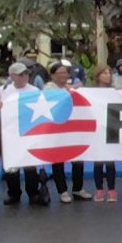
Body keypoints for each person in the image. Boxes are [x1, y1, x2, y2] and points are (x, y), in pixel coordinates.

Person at [44, 61, 93, 204]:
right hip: (56, 129)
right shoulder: (48, 88)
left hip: (73, 128)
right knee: (58, 160)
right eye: (60, 73)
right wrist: (72, 89)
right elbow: (58, 99)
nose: (63, 76)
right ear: (52, 75)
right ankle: (62, 190)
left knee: (78, 158)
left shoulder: (71, 87)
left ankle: (78, 188)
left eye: (65, 72)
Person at [0, 63, 43, 205]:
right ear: (12, 76)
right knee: (12, 166)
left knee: (30, 164)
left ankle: (33, 193)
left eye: (26, 74)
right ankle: (14, 193)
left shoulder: (34, 90)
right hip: (11, 132)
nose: (25, 77)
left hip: (29, 131)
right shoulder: (4, 89)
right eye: (21, 74)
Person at [90, 65, 118, 202]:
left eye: (109, 73)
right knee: (98, 161)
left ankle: (112, 189)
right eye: (104, 73)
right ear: (98, 76)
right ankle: (99, 189)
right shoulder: (91, 91)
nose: (108, 75)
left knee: (110, 160)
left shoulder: (114, 90)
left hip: (111, 127)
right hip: (97, 128)